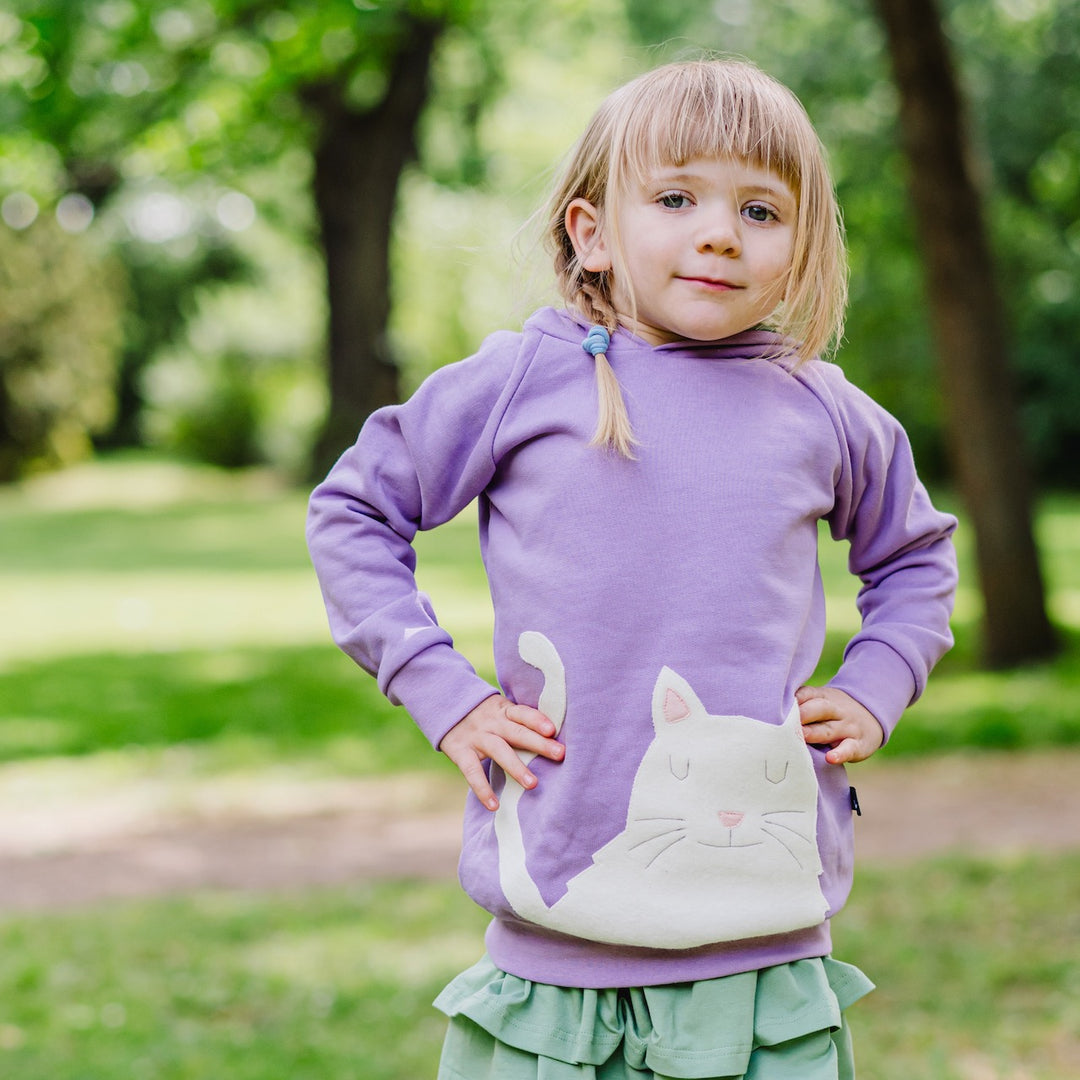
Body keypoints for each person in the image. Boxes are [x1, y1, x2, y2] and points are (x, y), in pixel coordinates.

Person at [307, 57, 958, 1080]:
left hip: (765, 967)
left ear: (803, 247)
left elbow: (918, 558)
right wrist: (442, 692)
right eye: (675, 197)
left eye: (759, 209)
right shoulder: (525, 381)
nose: (717, 232)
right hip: (552, 960)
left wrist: (877, 685)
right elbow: (354, 510)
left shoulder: (822, 410)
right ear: (592, 232)